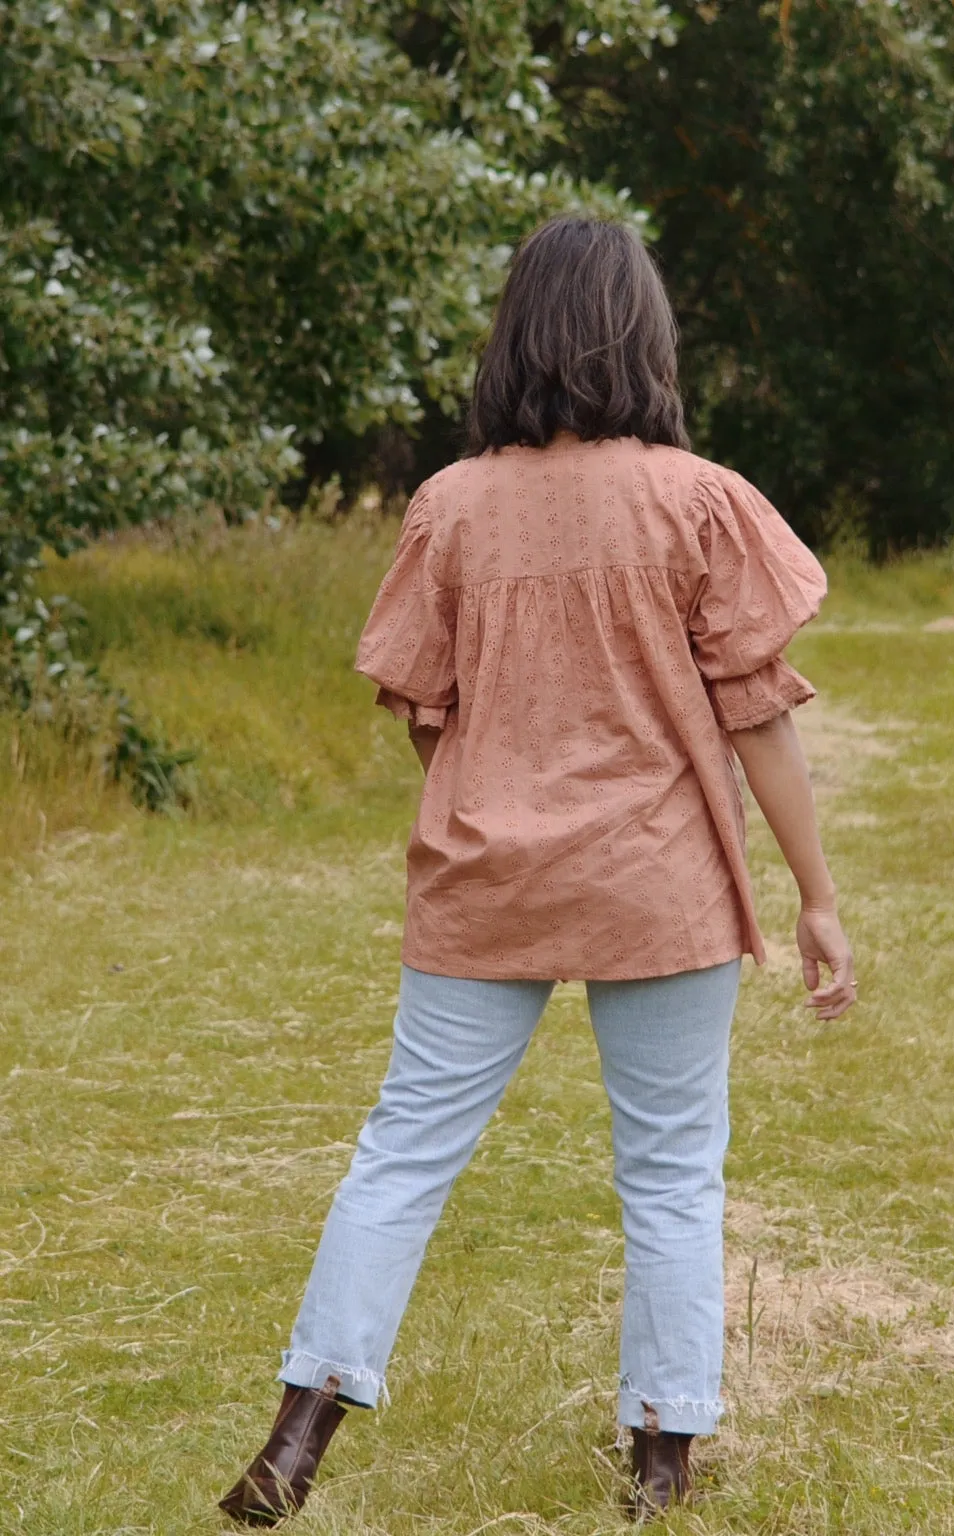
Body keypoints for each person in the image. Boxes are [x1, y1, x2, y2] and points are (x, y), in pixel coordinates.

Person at [219, 216, 855, 1528]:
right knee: (673, 1169)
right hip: (660, 881)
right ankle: (662, 1466)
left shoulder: (449, 506)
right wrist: (820, 897)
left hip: (484, 875)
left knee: (401, 1153)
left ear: (514, 337)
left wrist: (500, 791)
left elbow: (421, 709)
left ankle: (297, 1436)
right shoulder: (699, 498)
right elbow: (757, 711)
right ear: (647, 339)